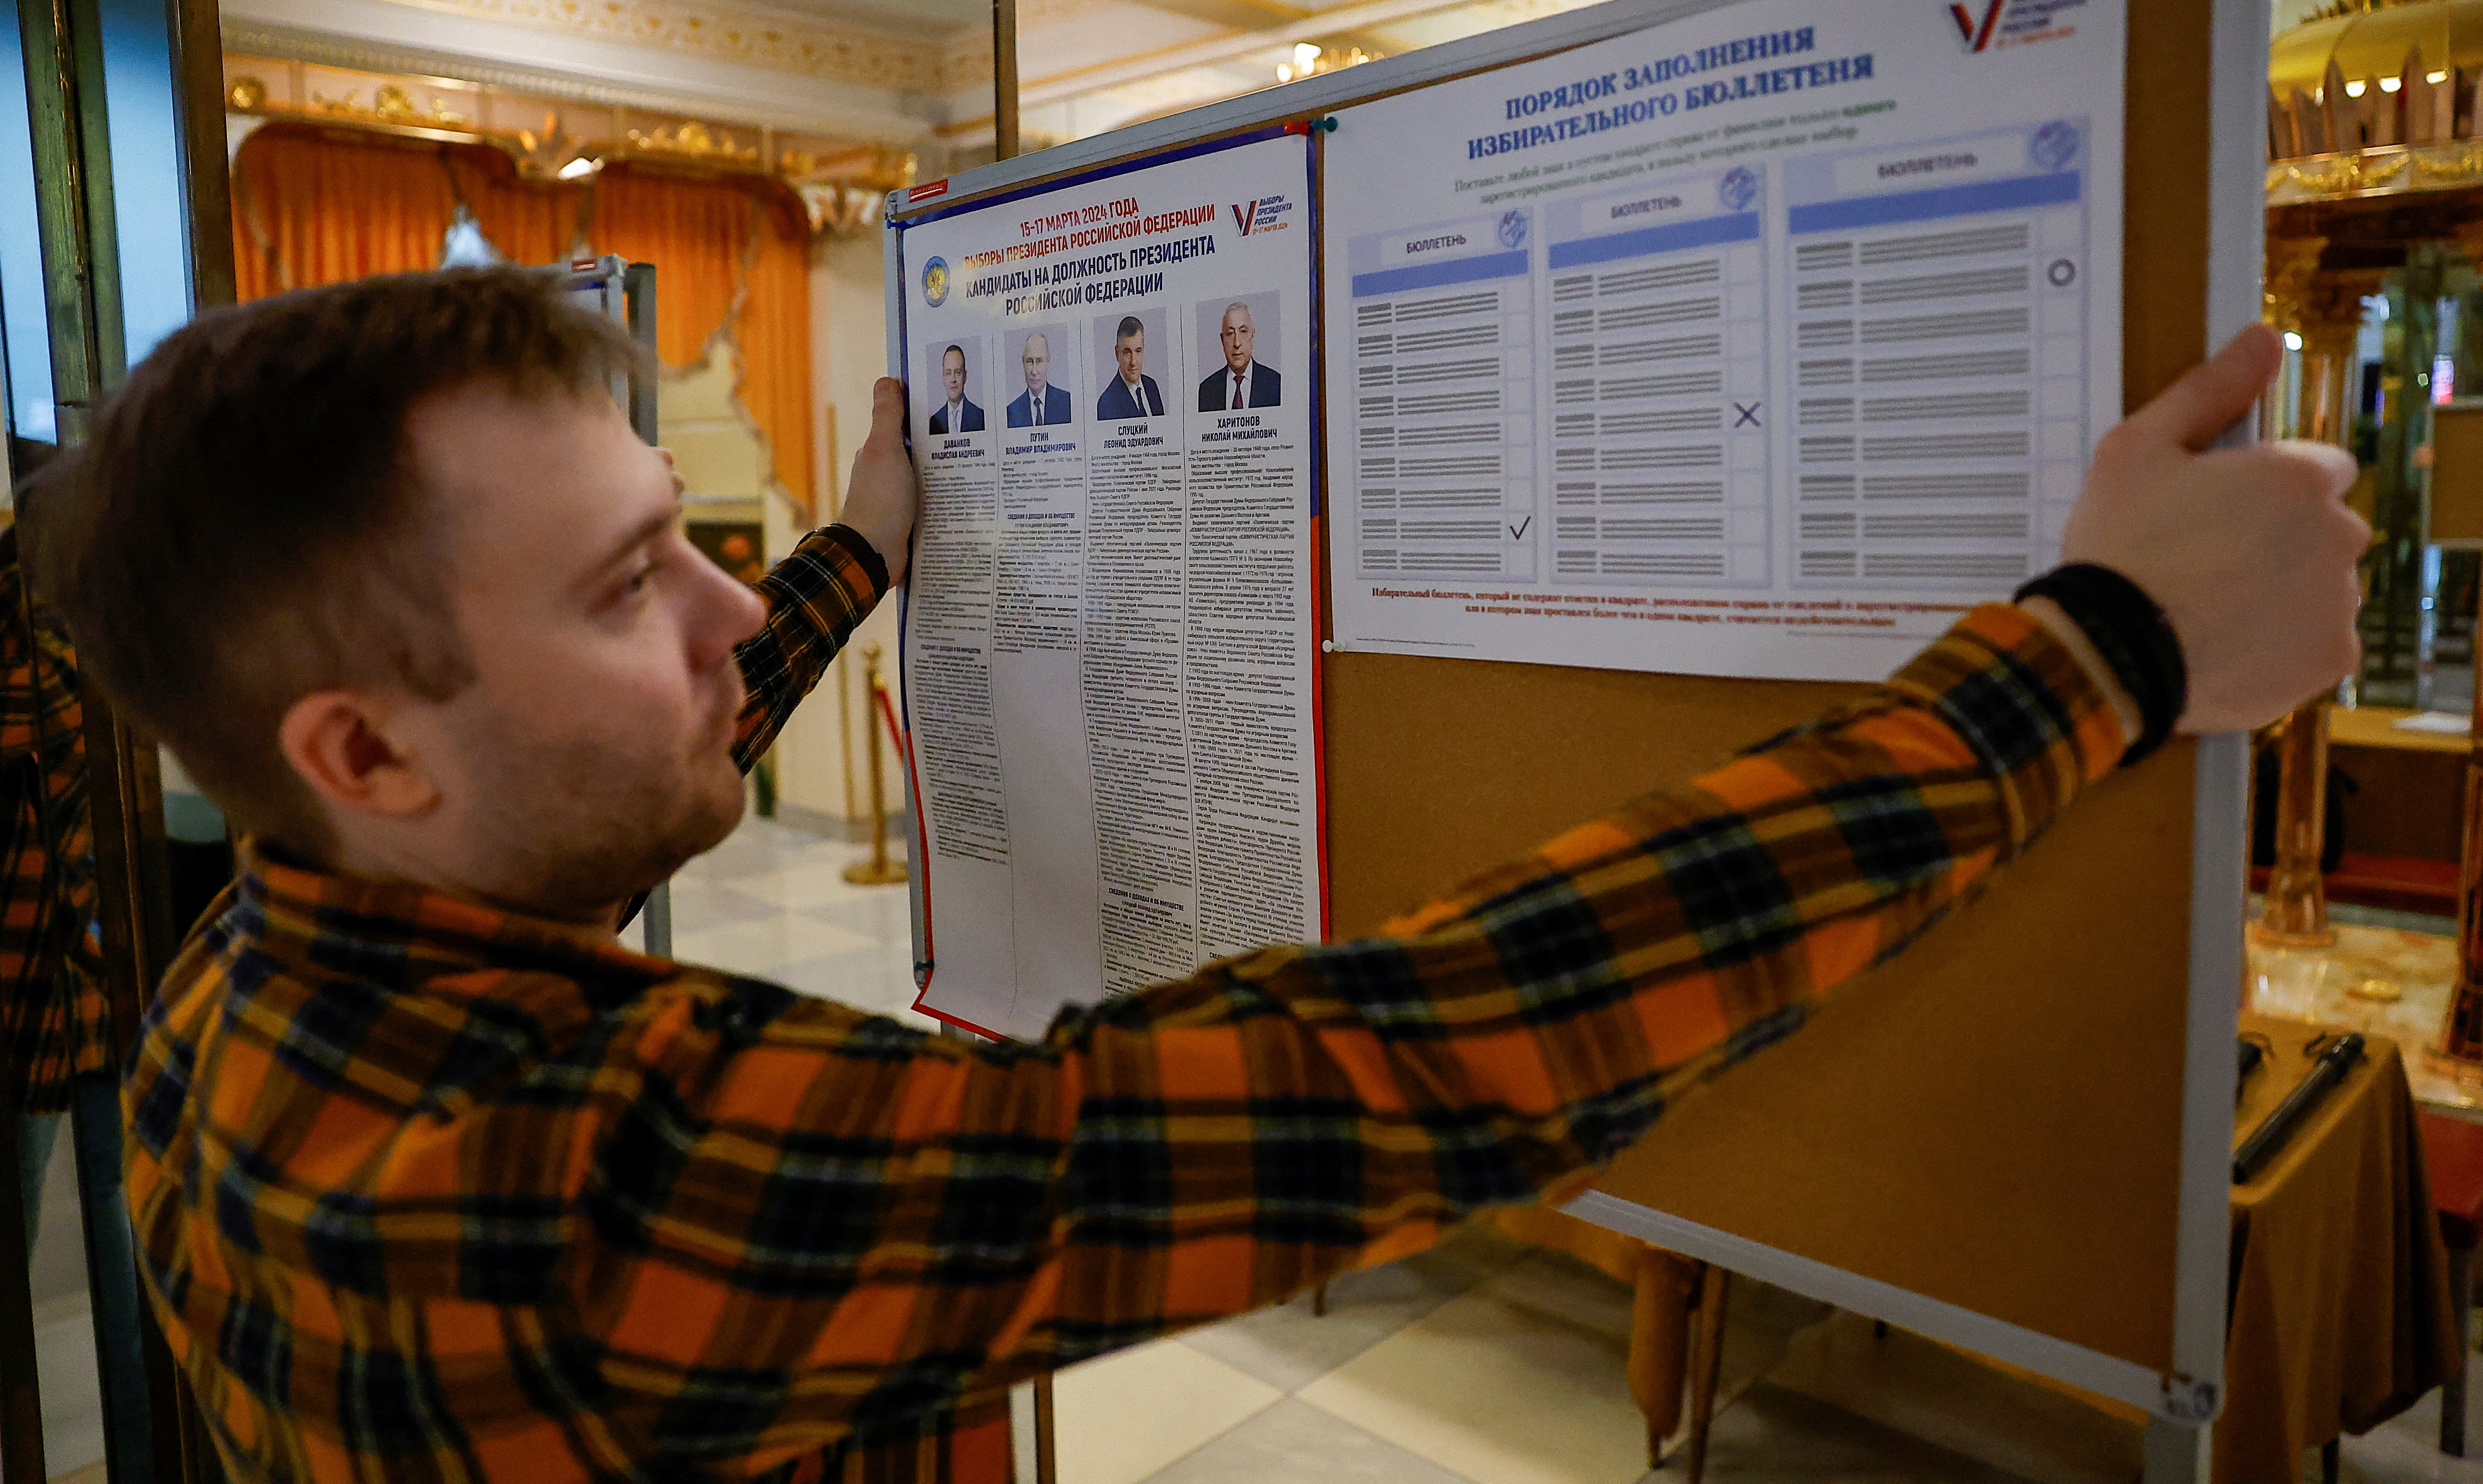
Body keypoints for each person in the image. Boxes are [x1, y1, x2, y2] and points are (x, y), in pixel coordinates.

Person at [30, 268, 2361, 1484]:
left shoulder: (248, 981)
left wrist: (854, 545)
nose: (737, 626)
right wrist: (2103, 649)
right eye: (639, 584)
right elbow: (1380, 1073)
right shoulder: (564, 1198)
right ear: (366, 749)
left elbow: (614, 736)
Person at [0, 459, 155, 1484]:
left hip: (102, 987)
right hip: (33, 995)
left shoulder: (109, 640)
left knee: (127, 1236)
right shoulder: (53, 659)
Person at [1200, 300, 1279, 410]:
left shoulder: (1276, 384)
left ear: (1253, 336)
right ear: (1223, 340)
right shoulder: (1207, 390)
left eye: (1243, 332)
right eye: (1230, 334)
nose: (1237, 343)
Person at [1097, 315, 1167, 419]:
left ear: (1143, 351)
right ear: (1117, 354)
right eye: (1127, 353)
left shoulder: (1152, 386)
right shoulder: (1107, 403)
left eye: (1138, 351)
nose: (1133, 362)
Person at [1007, 329, 1073, 428]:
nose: (1034, 372)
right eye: (1029, 362)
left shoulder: (1067, 404)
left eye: (1039, 361)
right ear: (1023, 363)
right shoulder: (1012, 412)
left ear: (1048, 361)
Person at [927, 344, 984, 435]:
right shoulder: (935, 422)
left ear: (965, 377)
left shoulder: (981, 417)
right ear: (943, 378)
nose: (953, 380)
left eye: (958, 372)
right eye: (948, 373)